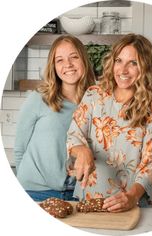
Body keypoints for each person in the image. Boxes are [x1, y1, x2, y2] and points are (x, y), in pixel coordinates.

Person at [66, 33, 152, 212]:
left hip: (131, 203)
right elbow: (74, 135)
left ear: (145, 67)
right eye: (119, 61)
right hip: (90, 198)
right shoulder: (93, 95)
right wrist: (82, 150)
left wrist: (132, 197)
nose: (123, 70)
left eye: (133, 63)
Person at [14, 35, 95, 201]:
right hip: (35, 191)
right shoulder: (39, 98)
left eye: (74, 57)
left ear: (83, 61)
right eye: (60, 60)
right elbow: (19, 149)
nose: (68, 65)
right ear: (53, 66)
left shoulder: (96, 103)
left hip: (79, 192)